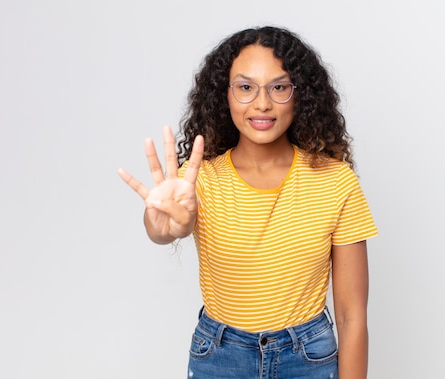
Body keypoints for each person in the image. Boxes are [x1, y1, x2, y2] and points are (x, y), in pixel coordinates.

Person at [118, 25, 378, 379]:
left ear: (300, 94)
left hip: (308, 358)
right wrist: (162, 227)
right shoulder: (198, 180)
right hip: (221, 357)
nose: (262, 103)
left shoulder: (335, 181)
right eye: (245, 87)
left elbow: (351, 317)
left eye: (279, 87)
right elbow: (165, 226)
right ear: (223, 95)